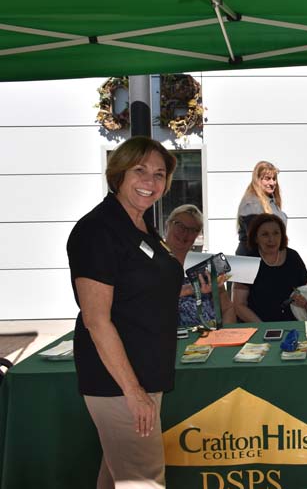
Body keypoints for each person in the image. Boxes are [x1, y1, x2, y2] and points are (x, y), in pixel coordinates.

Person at [66, 136, 181, 488]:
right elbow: (96, 320)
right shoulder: (98, 231)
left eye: (159, 174)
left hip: (144, 374)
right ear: (119, 173)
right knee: (143, 480)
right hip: (119, 383)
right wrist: (133, 391)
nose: (150, 182)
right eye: (140, 170)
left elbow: (143, 288)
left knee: (119, 475)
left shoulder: (142, 226)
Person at [164, 204, 236, 327]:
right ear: (168, 225)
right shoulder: (152, 261)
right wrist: (190, 289)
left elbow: (227, 309)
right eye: (180, 225)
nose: (185, 233)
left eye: (193, 230)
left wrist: (225, 335)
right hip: (171, 338)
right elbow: (148, 300)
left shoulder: (207, 264)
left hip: (210, 337)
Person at [232, 214, 307, 322]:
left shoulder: (293, 257)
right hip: (257, 327)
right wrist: (263, 327)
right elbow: (238, 305)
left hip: (293, 325)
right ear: (255, 238)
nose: (271, 239)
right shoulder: (247, 262)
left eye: (276, 233)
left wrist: (304, 301)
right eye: (265, 234)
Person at [236, 161, 287, 256]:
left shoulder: (271, 201)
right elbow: (256, 239)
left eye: (274, 179)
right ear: (257, 180)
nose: (272, 183)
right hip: (254, 260)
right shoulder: (251, 204)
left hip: (271, 257)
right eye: (267, 179)